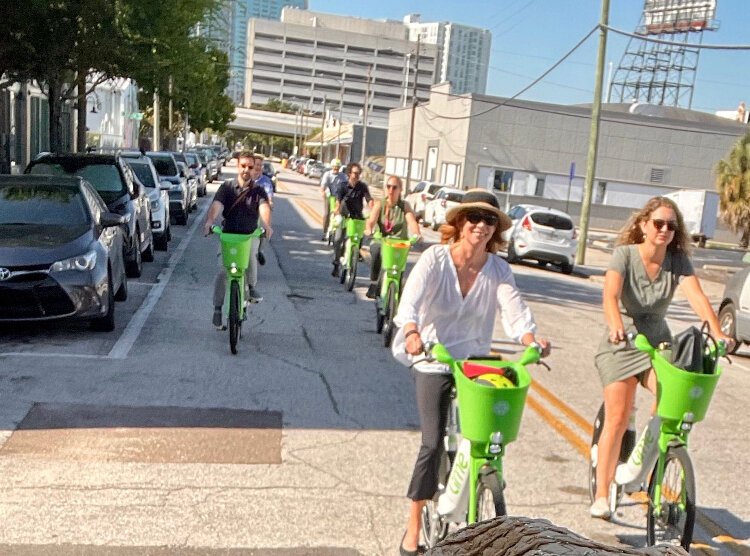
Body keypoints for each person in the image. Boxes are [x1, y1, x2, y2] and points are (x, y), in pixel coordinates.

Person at [391, 189, 551, 555]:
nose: (481, 225)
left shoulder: (498, 269)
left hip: (474, 362)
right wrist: (412, 332)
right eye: (474, 218)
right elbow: (409, 303)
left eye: (490, 219)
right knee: (432, 442)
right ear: (460, 222)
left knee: (485, 436)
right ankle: (413, 524)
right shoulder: (435, 259)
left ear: (497, 229)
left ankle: (478, 495)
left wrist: (531, 338)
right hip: (433, 356)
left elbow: (515, 312)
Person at [590, 196, 734, 520]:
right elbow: (610, 295)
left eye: (671, 225)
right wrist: (615, 325)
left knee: (671, 398)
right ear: (643, 225)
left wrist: (717, 331)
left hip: (658, 340)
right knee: (618, 414)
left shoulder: (678, 260)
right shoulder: (624, 255)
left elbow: (697, 296)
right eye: (658, 223)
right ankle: (602, 494)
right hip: (624, 340)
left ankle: (640, 460)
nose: (665, 230)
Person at [202, 151, 273, 329]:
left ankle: (251, 287)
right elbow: (217, 205)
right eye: (243, 166)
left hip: (249, 235)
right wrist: (210, 222)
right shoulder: (226, 187)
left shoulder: (258, 190)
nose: (246, 170)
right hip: (228, 236)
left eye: (250, 167)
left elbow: (264, 207)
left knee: (250, 259)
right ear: (237, 166)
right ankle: (217, 310)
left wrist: (266, 225)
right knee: (222, 271)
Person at [363, 175, 421, 299]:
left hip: (399, 242)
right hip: (381, 240)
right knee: (376, 250)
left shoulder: (404, 206)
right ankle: (374, 283)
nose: (391, 190)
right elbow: (371, 220)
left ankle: (396, 297)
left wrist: (417, 234)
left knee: (398, 268)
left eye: (395, 187)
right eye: (388, 186)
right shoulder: (380, 204)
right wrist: (369, 229)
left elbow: (412, 222)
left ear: (400, 190)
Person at [331, 162, 373, 277]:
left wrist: (372, 208)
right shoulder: (342, 186)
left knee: (358, 239)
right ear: (349, 173)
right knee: (339, 239)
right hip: (345, 216)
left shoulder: (362, 187)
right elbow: (338, 201)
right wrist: (337, 211)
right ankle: (336, 263)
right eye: (355, 173)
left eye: (359, 173)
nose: (357, 175)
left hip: (357, 218)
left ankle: (354, 255)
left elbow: (369, 199)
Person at [253, 154, 274, 266]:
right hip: (247, 209)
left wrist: (269, 202)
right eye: (256, 164)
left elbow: (269, 195)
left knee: (263, 228)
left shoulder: (266, 181)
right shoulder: (248, 178)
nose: (258, 167)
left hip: (260, 209)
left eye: (260, 165)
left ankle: (259, 250)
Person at [319, 158, 347, 241]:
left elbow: (347, 186)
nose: (336, 169)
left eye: (337, 167)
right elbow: (323, 186)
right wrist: (323, 192)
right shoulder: (327, 174)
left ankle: (341, 233)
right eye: (334, 167)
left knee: (342, 214)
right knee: (327, 214)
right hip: (329, 196)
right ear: (332, 167)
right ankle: (324, 233)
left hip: (339, 198)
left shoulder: (343, 176)